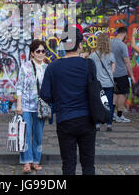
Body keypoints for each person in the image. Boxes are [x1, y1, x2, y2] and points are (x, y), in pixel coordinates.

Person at [40, 25, 96, 175]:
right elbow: (95, 90)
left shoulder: (52, 67)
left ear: (64, 45)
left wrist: (58, 97)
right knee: (88, 164)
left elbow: (45, 95)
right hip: (87, 119)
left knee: (68, 165)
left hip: (65, 120)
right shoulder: (89, 65)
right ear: (80, 45)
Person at [15, 39, 48, 173]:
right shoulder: (25, 66)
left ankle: (36, 160)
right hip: (26, 107)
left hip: (40, 107)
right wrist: (19, 105)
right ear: (32, 53)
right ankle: (26, 162)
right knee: (26, 134)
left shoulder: (47, 68)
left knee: (38, 134)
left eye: (43, 51)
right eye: (38, 51)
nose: (41, 53)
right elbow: (19, 86)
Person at [90, 33, 116, 132]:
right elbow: (113, 70)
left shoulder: (93, 55)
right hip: (108, 83)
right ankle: (109, 124)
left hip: (97, 83)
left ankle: (97, 124)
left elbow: (91, 69)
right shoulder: (111, 55)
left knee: (97, 103)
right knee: (109, 103)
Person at [110, 26, 136, 123]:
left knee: (114, 94)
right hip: (121, 74)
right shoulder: (122, 45)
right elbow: (127, 62)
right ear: (125, 33)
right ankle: (119, 115)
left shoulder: (110, 42)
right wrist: (132, 76)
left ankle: (111, 114)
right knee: (122, 94)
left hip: (111, 74)